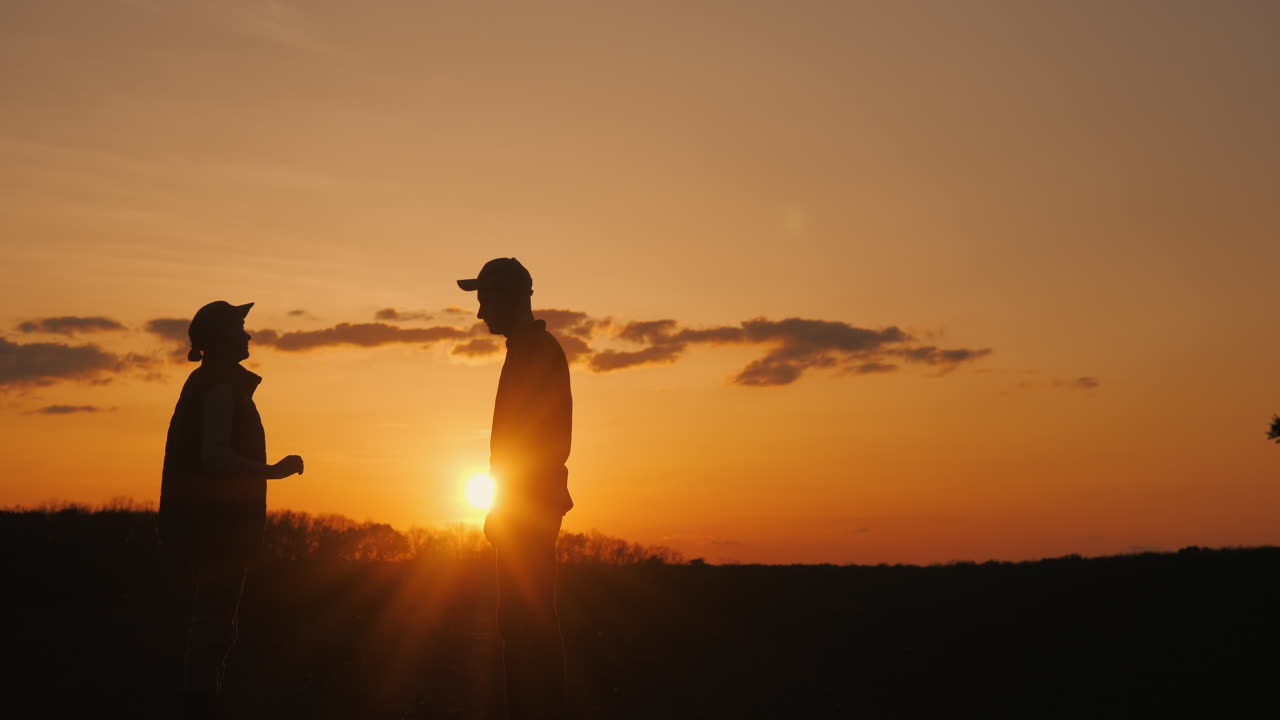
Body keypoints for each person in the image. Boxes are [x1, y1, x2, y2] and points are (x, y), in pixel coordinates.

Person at [159, 301, 304, 719]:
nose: (248, 335)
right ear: (222, 337)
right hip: (218, 527)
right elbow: (216, 457)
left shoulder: (207, 384)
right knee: (215, 622)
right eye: (240, 328)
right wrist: (273, 472)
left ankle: (202, 697)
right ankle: (202, 702)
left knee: (213, 618)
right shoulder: (221, 388)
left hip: (206, 524)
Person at [459, 258, 573, 719]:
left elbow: (534, 442)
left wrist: (507, 507)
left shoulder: (536, 352)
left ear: (510, 298)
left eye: (485, 300)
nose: (480, 312)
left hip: (528, 506)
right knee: (524, 621)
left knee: (527, 623)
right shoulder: (528, 350)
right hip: (528, 503)